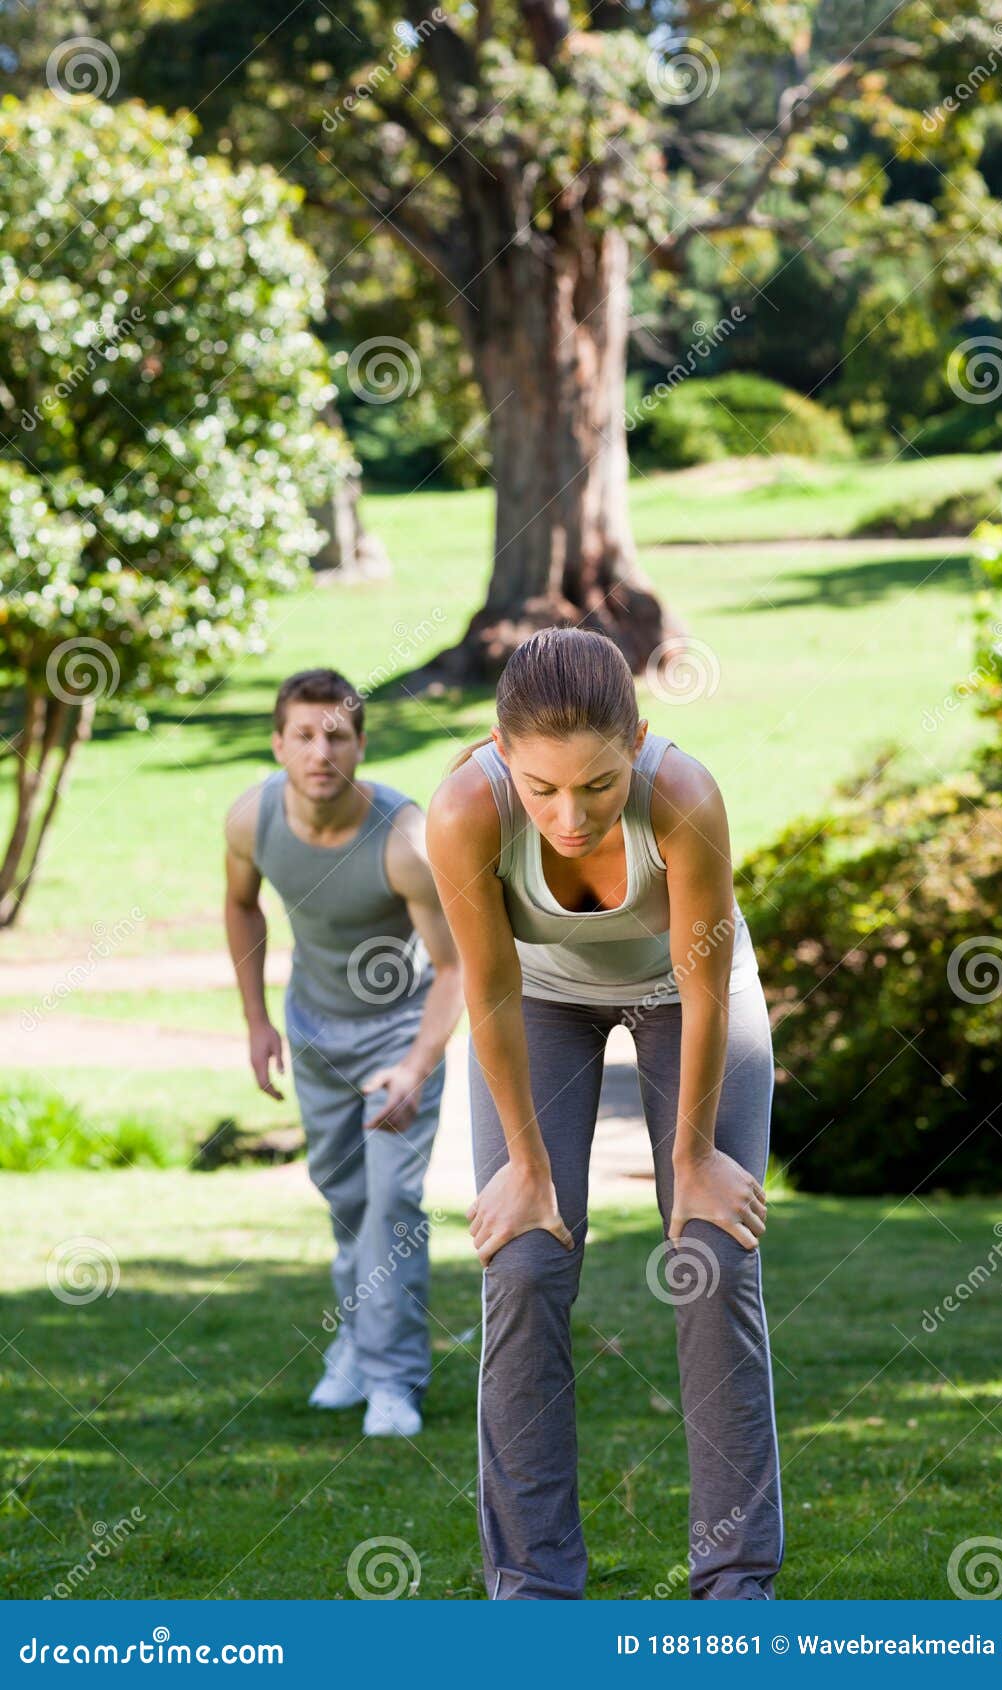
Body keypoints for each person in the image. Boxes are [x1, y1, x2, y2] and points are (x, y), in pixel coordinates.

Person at [425, 627, 783, 1599]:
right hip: (537, 999)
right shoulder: (462, 809)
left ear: (638, 744)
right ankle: (533, 1595)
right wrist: (526, 1170)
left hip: (686, 998)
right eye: (539, 789)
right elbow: (489, 994)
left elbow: (705, 992)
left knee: (709, 1257)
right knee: (528, 1261)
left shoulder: (682, 796)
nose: (568, 815)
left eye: (595, 785)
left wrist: (696, 1155)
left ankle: (733, 1592)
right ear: (502, 757)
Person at [224, 668, 464, 1437]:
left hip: (398, 1035)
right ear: (278, 743)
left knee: (391, 1203)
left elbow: (456, 968)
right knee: (346, 1201)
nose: (319, 751)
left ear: (360, 745)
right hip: (315, 1030)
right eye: (303, 735)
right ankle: (356, 1349)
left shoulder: (403, 841)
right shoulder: (250, 819)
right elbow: (238, 904)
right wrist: (257, 1023)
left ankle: (394, 1379)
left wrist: (417, 1066)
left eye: (336, 735)